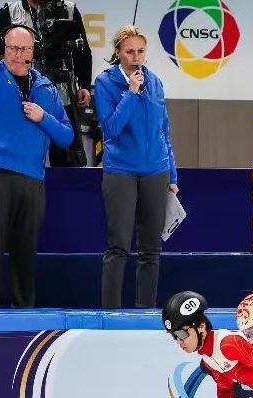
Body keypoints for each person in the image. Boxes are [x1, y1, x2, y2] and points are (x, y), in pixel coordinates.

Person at [0, 0, 73, 308]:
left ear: (33, 51)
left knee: (25, 249)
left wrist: (43, 118)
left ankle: (25, 310)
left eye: (25, 49)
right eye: (13, 49)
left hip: (32, 179)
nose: (19, 55)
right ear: (3, 49)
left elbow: (67, 137)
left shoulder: (46, 87)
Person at [94, 25, 178, 309]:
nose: (136, 57)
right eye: (129, 51)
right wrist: (130, 92)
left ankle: (145, 312)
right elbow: (111, 129)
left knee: (151, 249)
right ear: (118, 53)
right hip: (121, 171)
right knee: (118, 245)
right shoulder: (105, 83)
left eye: (141, 51)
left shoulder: (155, 82)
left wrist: (172, 174)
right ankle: (111, 314)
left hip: (156, 171)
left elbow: (163, 131)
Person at [0, 0, 93, 167]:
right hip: (21, 100)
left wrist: (84, 85)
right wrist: (4, 49)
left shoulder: (69, 9)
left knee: (67, 160)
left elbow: (82, 52)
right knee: (22, 158)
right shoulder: (11, 11)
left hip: (62, 96)